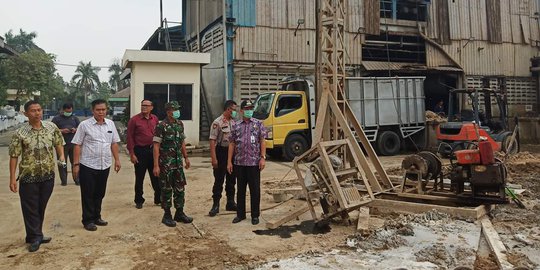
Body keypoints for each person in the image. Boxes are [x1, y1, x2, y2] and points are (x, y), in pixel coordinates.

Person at [9, 100, 65, 252]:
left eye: (39, 110)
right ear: (26, 114)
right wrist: (12, 178)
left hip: (47, 175)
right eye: (33, 111)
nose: (37, 113)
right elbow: (14, 156)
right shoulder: (20, 133)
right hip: (28, 176)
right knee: (30, 208)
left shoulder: (51, 127)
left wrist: (61, 157)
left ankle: (34, 234)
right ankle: (35, 237)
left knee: (41, 206)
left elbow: (59, 142)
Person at [72, 99, 121, 231]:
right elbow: (77, 144)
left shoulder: (110, 124)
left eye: (103, 110)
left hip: (104, 164)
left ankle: (97, 216)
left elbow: (114, 143)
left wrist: (117, 159)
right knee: (88, 193)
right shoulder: (84, 125)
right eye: (98, 110)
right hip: (88, 165)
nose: (101, 112)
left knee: (100, 192)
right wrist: (76, 164)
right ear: (93, 110)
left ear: (106, 110)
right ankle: (87, 220)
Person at [153, 101, 193, 227]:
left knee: (180, 188)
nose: (177, 112)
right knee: (166, 189)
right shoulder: (161, 126)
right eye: (174, 109)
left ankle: (179, 213)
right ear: (168, 111)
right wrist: (156, 165)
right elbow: (156, 146)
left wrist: (186, 157)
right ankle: (167, 214)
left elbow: (182, 142)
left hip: (178, 163)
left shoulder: (179, 124)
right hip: (166, 164)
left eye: (177, 109)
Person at [227, 100, 267, 225]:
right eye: (247, 108)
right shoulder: (236, 125)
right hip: (239, 163)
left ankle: (255, 215)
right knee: (240, 190)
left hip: (254, 163)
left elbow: (262, 141)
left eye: (251, 108)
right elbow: (232, 143)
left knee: (255, 190)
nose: (249, 110)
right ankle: (240, 214)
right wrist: (229, 161)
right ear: (241, 110)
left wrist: (262, 157)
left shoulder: (258, 124)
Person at [127, 100, 161, 209]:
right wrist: (132, 154)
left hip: (153, 151)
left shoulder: (155, 119)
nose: (144, 107)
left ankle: (158, 198)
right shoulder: (134, 120)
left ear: (152, 107)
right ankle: (139, 200)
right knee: (139, 177)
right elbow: (130, 137)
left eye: (146, 105)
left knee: (156, 175)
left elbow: (158, 135)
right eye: (142, 105)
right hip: (140, 151)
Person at [208, 100, 238, 217]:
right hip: (221, 152)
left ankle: (230, 202)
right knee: (219, 180)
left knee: (231, 179)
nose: (235, 112)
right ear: (228, 109)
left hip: (232, 154)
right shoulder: (218, 122)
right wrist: (214, 158)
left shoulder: (234, 123)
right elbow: (212, 141)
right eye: (234, 110)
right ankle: (215, 205)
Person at [51, 103, 81, 186]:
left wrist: (75, 130)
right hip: (61, 145)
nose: (69, 112)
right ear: (63, 110)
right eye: (67, 111)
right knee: (62, 163)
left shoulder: (75, 118)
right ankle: (64, 180)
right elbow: (51, 130)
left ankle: (77, 179)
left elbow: (80, 128)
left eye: (70, 111)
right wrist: (61, 131)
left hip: (73, 144)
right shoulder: (56, 119)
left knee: (75, 162)